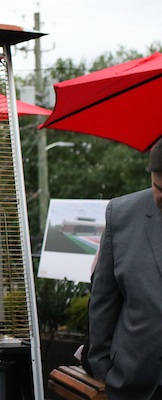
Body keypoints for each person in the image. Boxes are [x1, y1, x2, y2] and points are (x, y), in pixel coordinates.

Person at [89, 138, 162, 400]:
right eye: (159, 188)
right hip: (132, 382)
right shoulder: (122, 213)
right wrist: (102, 366)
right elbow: (103, 298)